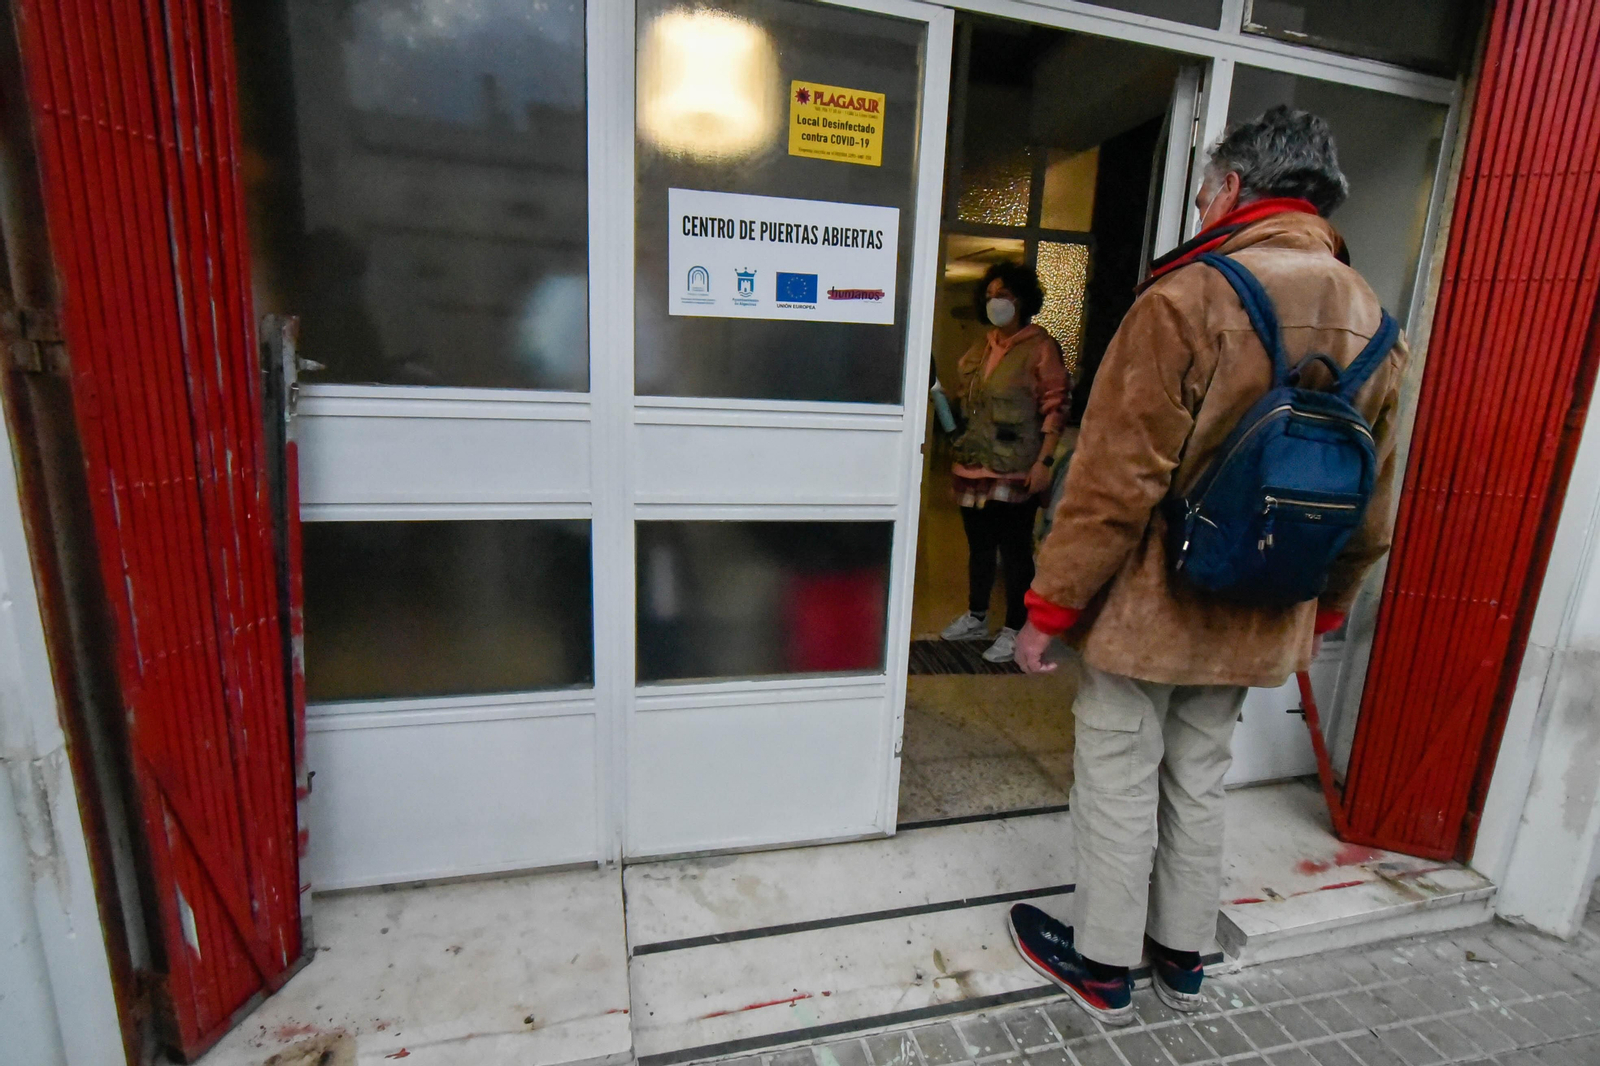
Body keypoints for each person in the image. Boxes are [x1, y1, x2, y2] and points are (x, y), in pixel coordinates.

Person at [1006, 106, 1407, 1023]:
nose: (1198, 206)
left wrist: (1048, 610)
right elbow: (1372, 505)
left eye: (1203, 191)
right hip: (1262, 610)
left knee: (1117, 769)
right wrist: (1328, 609)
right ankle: (1182, 952)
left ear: (1232, 188)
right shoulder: (1377, 322)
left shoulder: (1189, 299)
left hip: (1152, 610)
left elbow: (1113, 483)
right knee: (1199, 771)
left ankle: (1104, 963)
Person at [940, 263, 1069, 664]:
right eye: (992, 294)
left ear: (1024, 301)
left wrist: (1044, 461)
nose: (997, 302)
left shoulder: (1041, 347)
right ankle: (977, 615)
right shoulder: (982, 346)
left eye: (1007, 295)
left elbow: (1056, 407)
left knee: (1014, 551)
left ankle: (1015, 627)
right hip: (974, 464)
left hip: (1016, 466)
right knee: (979, 548)